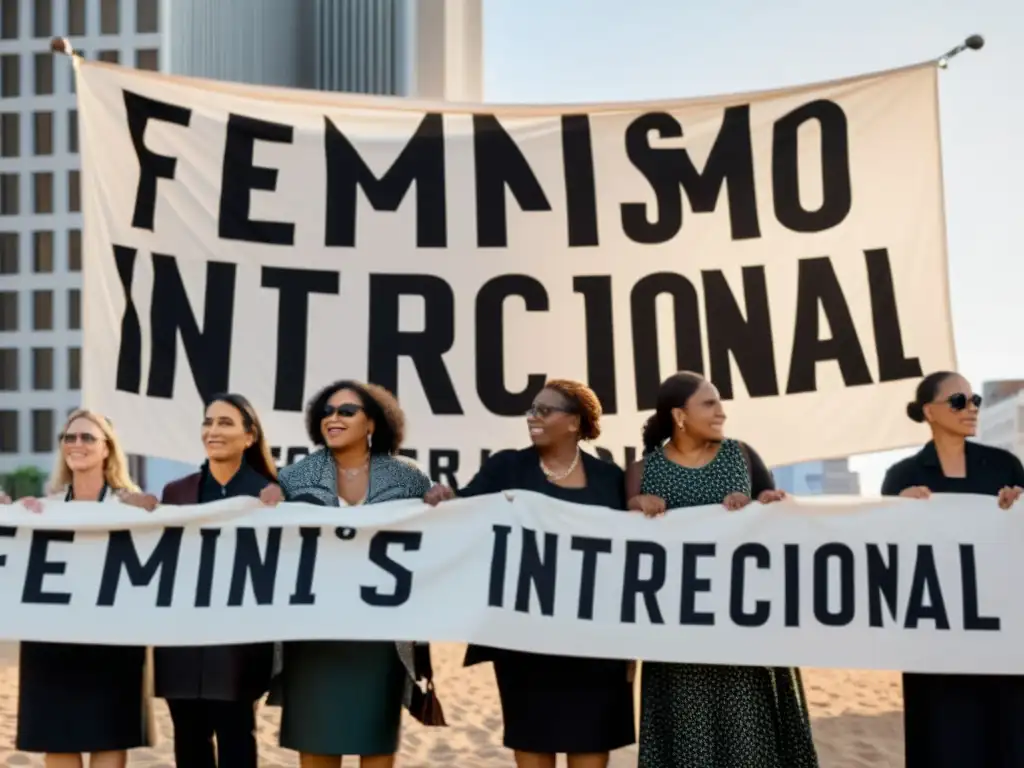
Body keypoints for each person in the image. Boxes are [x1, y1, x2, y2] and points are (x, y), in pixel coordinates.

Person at [425, 379, 636, 768]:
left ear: (574, 423)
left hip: (597, 638)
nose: (532, 417)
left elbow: (633, 552)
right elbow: (467, 508)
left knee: (591, 742)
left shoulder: (609, 477)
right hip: (525, 637)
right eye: (531, 410)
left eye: (544, 410)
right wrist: (446, 498)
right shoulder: (507, 465)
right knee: (533, 738)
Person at [625, 372, 818, 768]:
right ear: (680, 415)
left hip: (744, 631)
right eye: (709, 404)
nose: (721, 412)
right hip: (678, 638)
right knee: (688, 746)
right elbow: (621, 551)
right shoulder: (643, 472)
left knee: (752, 747)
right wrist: (635, 508)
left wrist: (765, 501)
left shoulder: (742, 455)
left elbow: (775, 511)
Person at [258, 380, 435, 768]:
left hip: (379, 637)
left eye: (346, 411)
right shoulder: (292, 478)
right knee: (317, 743)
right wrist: (267, 502)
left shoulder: (408, 478)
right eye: (327, 412)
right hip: (313, 636)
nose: (333, 418)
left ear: (372, 423)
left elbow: (435, 536)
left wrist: (442, 500)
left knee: (376, 743)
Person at [122, 393, 277, 768]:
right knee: (188, 741)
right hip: (182, 640)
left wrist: (280, 500)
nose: (212, 430)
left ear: (250, 436)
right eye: (208, 422)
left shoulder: (270, 494)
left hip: (239, 641)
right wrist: (133, 510)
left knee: (237, 736)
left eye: (225, 422)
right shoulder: (177, 492)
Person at [882, 371, 1024, 768]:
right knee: (943, 737)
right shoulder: (903, 476)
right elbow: (885, 551)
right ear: (930, 411)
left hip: (1000, 626)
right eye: (959, 401)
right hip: (935, 632)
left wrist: (1020, 503)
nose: (972, 408)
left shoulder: (1005, 466)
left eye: (975, 399)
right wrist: (898, 510)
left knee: (1007, 734)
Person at [0, 409, 155, 768]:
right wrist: (12, 516)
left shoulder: (131, 508)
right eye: (70, 437)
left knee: (110, 739)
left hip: (113, 644)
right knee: (57, 742)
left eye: (88, 437)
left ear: (107, 449)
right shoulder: (43, 509)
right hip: (51, 644)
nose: (77, 444)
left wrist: (145, 508)